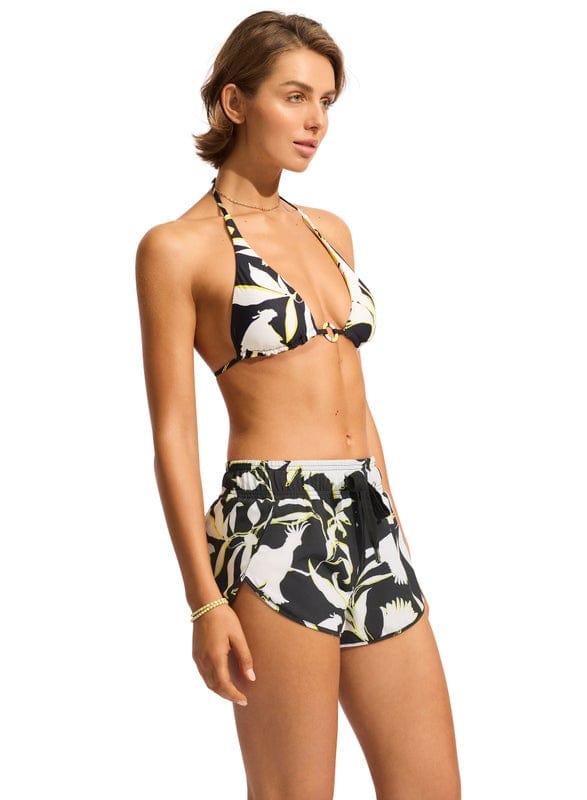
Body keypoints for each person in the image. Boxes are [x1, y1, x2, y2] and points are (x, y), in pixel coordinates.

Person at [135, 10, 460, 799]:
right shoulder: (177, 248)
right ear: (234, 102)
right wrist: (203, 602)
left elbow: (355, 396)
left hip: (367, 517)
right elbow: (173, 434)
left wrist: (394, 528)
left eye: (325, 100)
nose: (316, 120)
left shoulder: (329, 232)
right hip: (274, 523)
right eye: (294, 96)